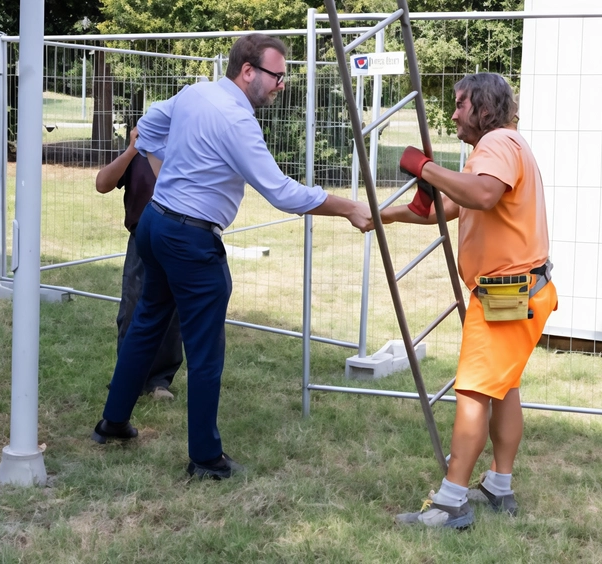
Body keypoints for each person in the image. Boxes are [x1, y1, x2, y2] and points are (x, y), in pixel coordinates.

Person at [90, 34, 372, 480]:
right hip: (190, 240)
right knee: (205, 352)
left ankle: (113, 423)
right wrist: (350, 206)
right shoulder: (237, 120)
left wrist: (175, 172)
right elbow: (281, 192)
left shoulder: (195, 93)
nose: (282, 84)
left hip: (155, 225)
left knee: (147, 321)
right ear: (247, 71)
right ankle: (205, 459)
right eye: (276, 75)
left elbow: (146, 127)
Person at [376, 73, 557, 529]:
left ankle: (450, 503)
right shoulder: (506, 146)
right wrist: (386, 216)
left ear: (484, 108)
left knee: (474, 392)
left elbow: (481, 192)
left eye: (460, 104)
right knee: (503, 388)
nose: (453, 114)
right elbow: (458, 205)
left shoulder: (496, 144)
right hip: (526, 291)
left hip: (505, 295)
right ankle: (499, 485)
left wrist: (424, 167)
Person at [95, 127, 181, 401]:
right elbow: (102, 184)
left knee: (171, 311)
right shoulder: (137, 153)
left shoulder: (184, 151)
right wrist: (133, 149)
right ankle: (127, 377)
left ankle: (158, 382)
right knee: (133, 306)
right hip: (141, 237)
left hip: (177, 237)